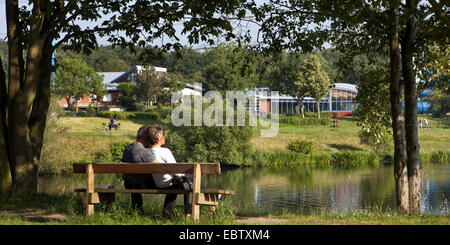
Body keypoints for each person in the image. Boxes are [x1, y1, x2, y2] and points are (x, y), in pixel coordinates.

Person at [147, 124, 193, 217]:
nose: (165, 137)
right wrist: (182, 174)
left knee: (188, 178)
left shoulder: (145, 151)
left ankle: (167, 213)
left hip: (157, 183)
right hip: (169, 184)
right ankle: (188, 214)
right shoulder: (165, 151)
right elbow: (175, 170)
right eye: (164, 135)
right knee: (191, 178)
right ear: (159, 137)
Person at [121, 125, 158, 213]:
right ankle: (168, 213)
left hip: (128, 183)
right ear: (147, 138)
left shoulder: (127, 148)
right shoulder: (144, 152)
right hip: (143, 184)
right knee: (173, 185)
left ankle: (138, 212)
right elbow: (160, 168)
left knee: (135, 180)